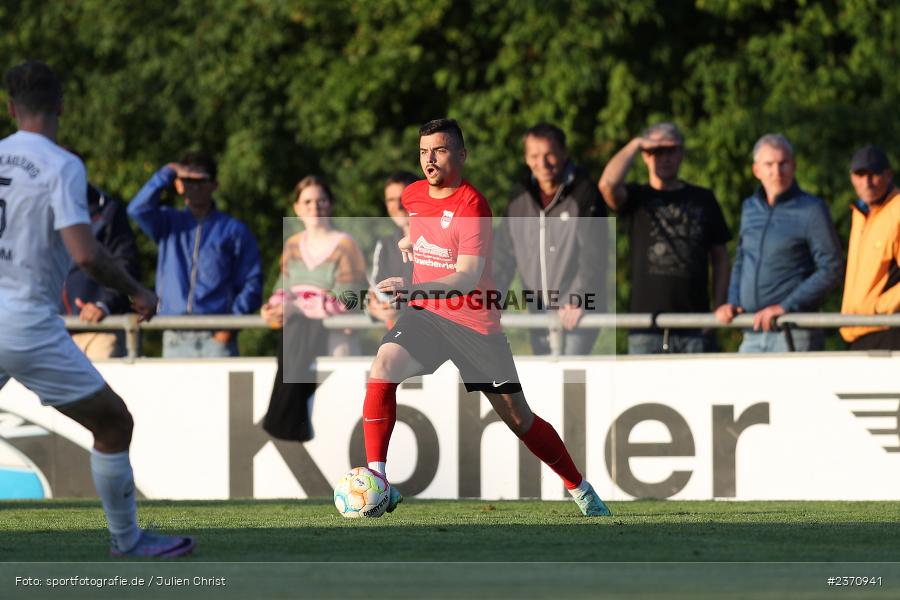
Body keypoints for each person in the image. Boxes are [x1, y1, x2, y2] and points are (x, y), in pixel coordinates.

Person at [368, 118, 610, 516]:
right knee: (383, 366)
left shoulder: (472, 205)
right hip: (427, 314)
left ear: (461, 155)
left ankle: (579, 486)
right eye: (424, 151)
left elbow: (465, 276)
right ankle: (377, 479)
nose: (430, 159)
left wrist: (413, 286)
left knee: (520, 419)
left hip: (473, 324)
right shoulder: (412, 194)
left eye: (440, 150)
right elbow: (426, 228)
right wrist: (411, 241)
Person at [0, 60, 193, 556]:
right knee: (113, 424)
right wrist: (136, 291)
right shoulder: (62, 165)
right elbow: (85, 251)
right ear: (61, 106)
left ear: (10, 107)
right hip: (24, 323)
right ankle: (127, 541)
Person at [598, 122, 730, 353]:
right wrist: (637, 143)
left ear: (681, 154)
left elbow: (720, 258)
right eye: (657, 151)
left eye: (671, 150)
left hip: (696, 328)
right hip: (645, 328)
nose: (665, 157)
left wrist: (716, 312)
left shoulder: (704, 199)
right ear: (645, 156)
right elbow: (607, 184)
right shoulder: (637, 198)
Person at [260, 176, 367, 441]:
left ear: (330, 205)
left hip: (334, 337)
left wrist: (300, 305)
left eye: (321, 201)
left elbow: (350, 298)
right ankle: (287, 424)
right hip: (295, 332)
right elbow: (281, 287)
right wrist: (275, 307)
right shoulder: (293, 244)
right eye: (307, 201)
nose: (314, 207)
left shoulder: (346, 245)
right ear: (296, 207)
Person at [715, 133, 843, 351]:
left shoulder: (812, 209)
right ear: (756, 170)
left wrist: (786, 307)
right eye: (769, 164)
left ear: (793, 166)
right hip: (750, 330)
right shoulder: (749, 208)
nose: (777, 171)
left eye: (783, 163)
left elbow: (832, 268)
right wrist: (732, 301)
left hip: (794, 330)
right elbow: (742, 261)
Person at [127, 151, 262, 357]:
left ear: (214, 185)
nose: (195, 187)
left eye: (201, 180)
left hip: (217, 336)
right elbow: (137, 209)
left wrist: (231, 325)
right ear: (179, 185)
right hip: (174, 335)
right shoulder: (168, 222)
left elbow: (252, 282)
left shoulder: (234, 230)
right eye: (188, 180)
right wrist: (168, 172)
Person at [493, 123, 608, 355]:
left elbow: (594, 255)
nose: (542, 163)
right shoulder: (519, 197)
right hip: (538, 313)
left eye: (550, 154)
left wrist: (579, 299)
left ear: (564, 153)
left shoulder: (584, 192)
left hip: (576, 312)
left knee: (571, 383)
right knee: (547, 383)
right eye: (534, 155)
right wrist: (492, 302)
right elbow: (503, 256)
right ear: (526, 158)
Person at [61, 183, 140, 359]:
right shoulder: (33, 205)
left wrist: (104, 304)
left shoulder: (109, 210)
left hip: (97, 329)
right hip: (47, 333)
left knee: (100, 386)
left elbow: (125, 264)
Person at [840, 145, 900, 350]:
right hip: (858, 331)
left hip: (889, 331)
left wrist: (879, 307)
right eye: (860, 174)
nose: (867, 182)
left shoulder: (897, 210)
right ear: (852, 178)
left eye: (874, 174)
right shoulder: (860, 213)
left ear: (888, 175)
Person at [368, 171, 416, 328]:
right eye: (391, 200)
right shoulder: (385, 244)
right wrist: (374, 308)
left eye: (403, 198)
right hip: (400, 335)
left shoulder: (442, 238)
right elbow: (376, 290)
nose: (398, 206)